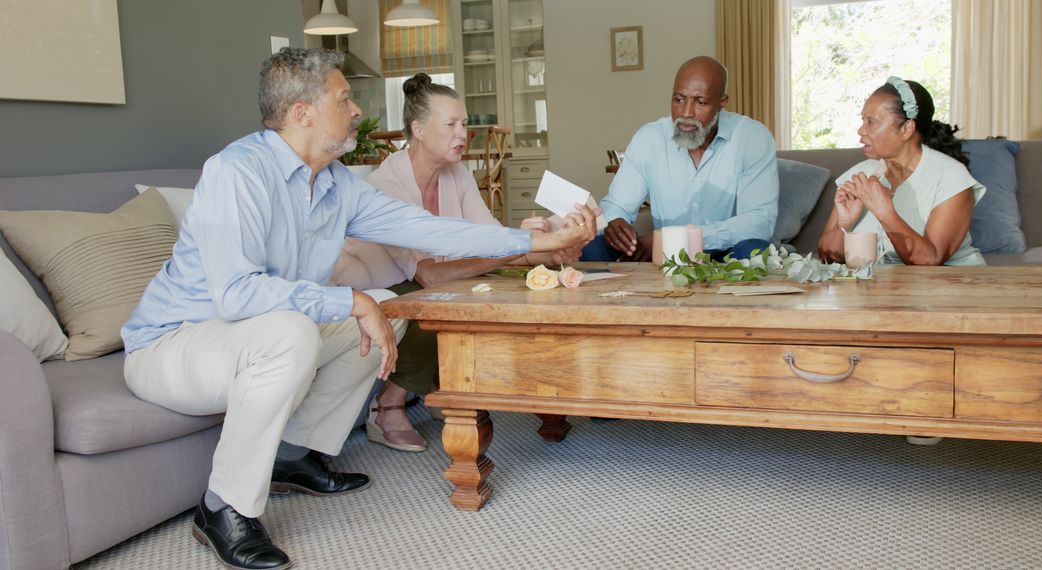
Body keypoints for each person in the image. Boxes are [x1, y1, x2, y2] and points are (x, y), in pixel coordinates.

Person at [120, 48, 595, 570]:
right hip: (174, 343)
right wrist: (349, 299)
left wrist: (530, 244)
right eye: (344, 99)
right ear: (302, 113)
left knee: (390, 309)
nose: (356, 112)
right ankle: (222, 508)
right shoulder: (237, 172)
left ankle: (293, 454)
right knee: (302, 331)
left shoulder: (335, 183)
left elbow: (425, 229)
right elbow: (236, 293)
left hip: (248, 336)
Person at [334, 73, 580, 453]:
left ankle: (466, 384)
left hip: (431, 280)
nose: (462, 133)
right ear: (417, 129)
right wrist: (524, 247)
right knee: (435, 302)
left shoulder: (458, 174)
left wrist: (553, 248)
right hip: (379, 290)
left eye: (464, 124)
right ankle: (387, 407)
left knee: (524, 278)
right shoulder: (387, 184)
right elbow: (428, 274)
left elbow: (493, 237)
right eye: (450, 124)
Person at [582, 55, 779, 262]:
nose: (686, 113)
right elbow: (617, 205)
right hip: (664, 255)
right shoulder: (649, 138)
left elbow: (759, 222)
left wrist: (678, 240)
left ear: (722, 103)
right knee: (592, 249)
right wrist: (615, 221)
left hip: (726, 253)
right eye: (678, 100)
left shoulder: (752, 138)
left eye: (700, 102)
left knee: (756, 250)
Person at [817, 77, 985, 266]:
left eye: (871, 122)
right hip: (886, 290)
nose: (860, 130)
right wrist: (844, 225)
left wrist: (885, 213)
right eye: (862, 120)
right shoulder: (859, 175)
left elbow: (930, 260)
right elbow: (826, 256)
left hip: (949, 288)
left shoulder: (951, 177)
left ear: (907, 129)